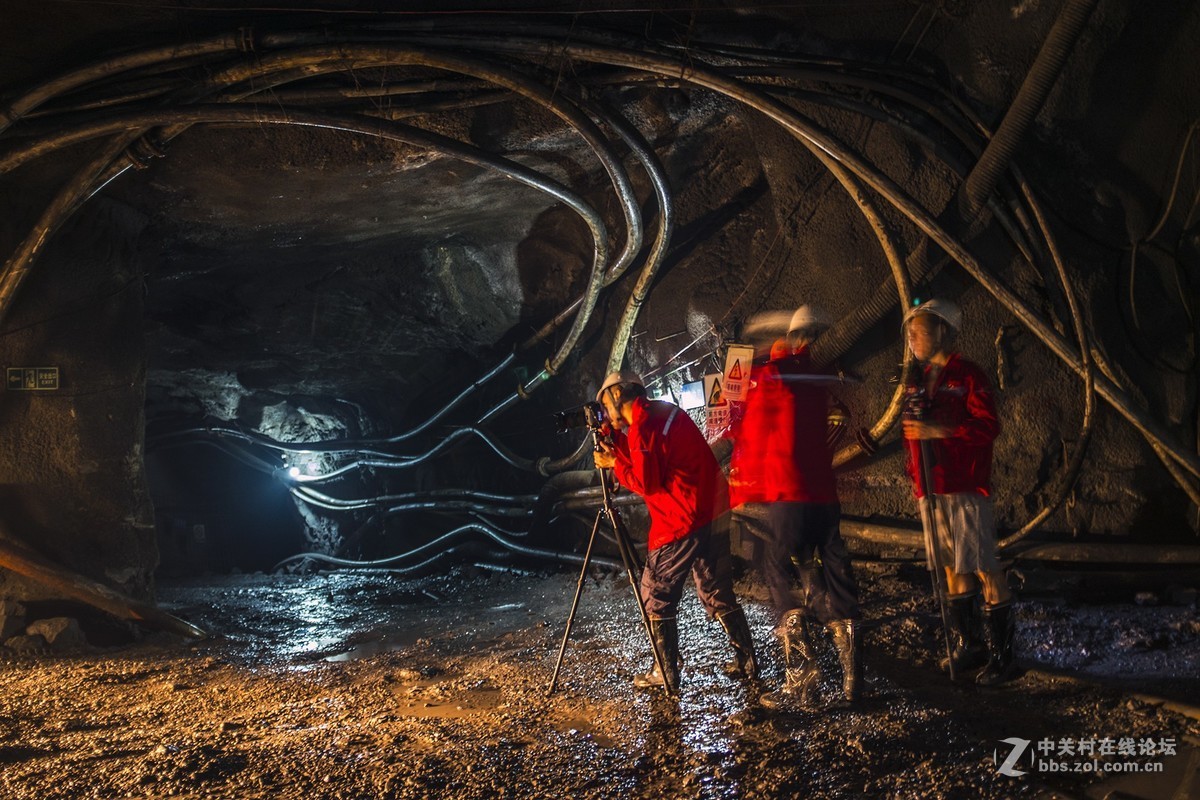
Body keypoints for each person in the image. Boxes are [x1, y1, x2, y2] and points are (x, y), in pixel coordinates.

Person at [729, 305, 864, 708]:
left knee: (776, 569)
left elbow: (751, 435)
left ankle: (801, 678)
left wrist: (740, 481)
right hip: (825, 495)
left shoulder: (773, 376)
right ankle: (854, 681)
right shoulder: (817, 377)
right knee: (834, 575)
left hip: (790, 494)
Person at [592, 369, 757, 694]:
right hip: (714, 512)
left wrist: (614, 463)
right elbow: (651, 458)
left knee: (656, 594)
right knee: (717, 590)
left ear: (616, 395)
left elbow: (646, 480)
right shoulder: (664, 413)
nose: (604, 411)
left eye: (605, 402)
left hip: (682, 520)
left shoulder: (642, 427)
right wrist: (617, 445)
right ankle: (749, 664)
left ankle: (665, 673)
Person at [901, 298, 1016, 686]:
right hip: (930, 488)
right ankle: (970, 644)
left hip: (966, 485)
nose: (913, 337)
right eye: (911, 330)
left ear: (943, 332)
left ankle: (1004, 656)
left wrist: (943, 432)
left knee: (983, 564)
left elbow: (988, 426)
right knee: (951, 567)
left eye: (921, 328)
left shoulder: (968, 375)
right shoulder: (915, 381)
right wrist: (914, 470)